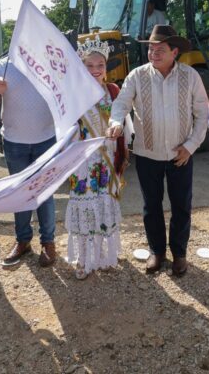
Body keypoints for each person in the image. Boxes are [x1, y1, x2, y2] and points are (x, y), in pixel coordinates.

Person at [107, 25, 209, 276]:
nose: (153, 53)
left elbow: (203, 115)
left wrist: (190, 146)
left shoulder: (191, 76)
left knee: (181, 206)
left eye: (159, 49)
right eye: (151, 49)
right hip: (147, 153)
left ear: (174, 51)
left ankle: (180, 255)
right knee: (151, 206)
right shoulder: (136, 76)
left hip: (180, 155)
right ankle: (157, 252)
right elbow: (121, 104)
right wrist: (116, 122)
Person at [0, 52, 58, 269]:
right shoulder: (1, 66)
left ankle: (48, 242)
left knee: (44, 193)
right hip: (15, 142)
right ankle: (23, 240)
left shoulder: (51, 64)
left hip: (47, 139)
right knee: (21, 193)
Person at [62, 37, 129, 279]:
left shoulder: (112, 91)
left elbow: (122, 124)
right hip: (83, 162)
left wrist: (120, 137)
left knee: (104, 204)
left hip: (106, 160)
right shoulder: (73, 94)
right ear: (81, 66)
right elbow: (65, 130)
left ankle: (102, 255)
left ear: (105, 66)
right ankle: (82, 259)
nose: (95, 70)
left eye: (99, 65)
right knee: (84, 205)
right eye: (89, 65)